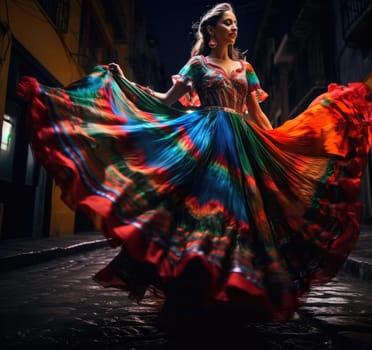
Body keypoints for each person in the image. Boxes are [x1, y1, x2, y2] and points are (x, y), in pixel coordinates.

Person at [17, 2, 371, 331]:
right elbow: (166, 100)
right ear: (212, 31)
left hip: (242, 142)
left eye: (236, 24)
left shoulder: (246, 68)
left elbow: (256, 112)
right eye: (228, 23)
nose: (234, 29)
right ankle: (197, 293)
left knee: (242, 218)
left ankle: (237, 292)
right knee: (201, 216)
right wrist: (124, 83)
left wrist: (279, 141)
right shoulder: (198, 65)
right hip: (204, 141)